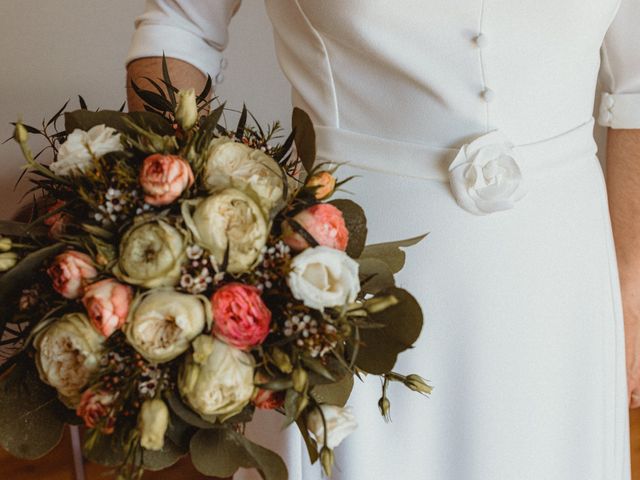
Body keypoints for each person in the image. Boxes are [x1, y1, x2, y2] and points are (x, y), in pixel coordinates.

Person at [125, 1, 640, 479]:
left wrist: (632, 289)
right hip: (341, 276)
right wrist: (186, 229)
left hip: (567, 283)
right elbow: (180, 26)